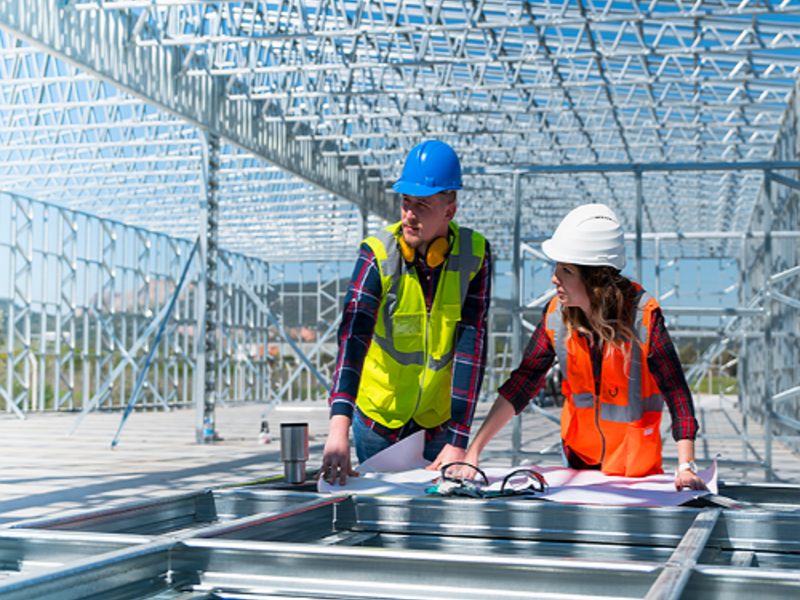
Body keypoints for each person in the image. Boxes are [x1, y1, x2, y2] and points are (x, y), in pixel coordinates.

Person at [460, 203, 707, 491]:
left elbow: (676, 391)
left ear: (595, 279)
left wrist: (686, 466)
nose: (554, 278)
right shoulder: (556, 315)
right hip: (579, 464)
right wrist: (473, 451)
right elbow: (523, 382)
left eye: (566, 270)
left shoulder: (644, 316)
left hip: (635, 472)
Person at [317, 140, 492, 485]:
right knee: (380, 523)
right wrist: (339, 426)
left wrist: (459, 438)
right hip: (377, 422)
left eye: (422, 205)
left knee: (435, 523)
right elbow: (352, 340)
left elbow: (472, 348)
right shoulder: (378, 255)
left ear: (449, 211)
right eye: (405, 202)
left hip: (438, 423)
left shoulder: (475, 254)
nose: (409, 214)